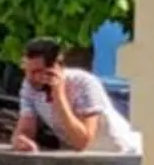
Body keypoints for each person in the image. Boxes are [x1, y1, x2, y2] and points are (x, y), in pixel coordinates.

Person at [12, 39, 141, 157]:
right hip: (86, 159)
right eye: (27, 70)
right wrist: (21, 139)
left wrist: (59, 95)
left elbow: (82, 141)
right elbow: (26, 127)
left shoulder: (84, 83)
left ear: (56, 68)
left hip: (121, 154)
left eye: (37, 72)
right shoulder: (30, 86)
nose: (30, 77)